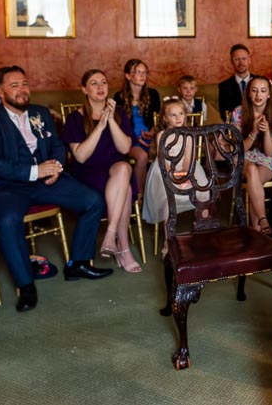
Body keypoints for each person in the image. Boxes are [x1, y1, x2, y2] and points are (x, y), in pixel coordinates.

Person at [0, 66, 113, 312]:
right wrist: (36, 171)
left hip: (47, 181)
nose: (23, 89)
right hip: (7, 186)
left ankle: (78, 262)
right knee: (7, 220)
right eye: (14, 86)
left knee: (93, 200)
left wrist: (56, 167)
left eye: (25, 83)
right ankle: (26, 285)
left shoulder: (40, 113)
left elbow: (57, 146)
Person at [61, 69, 140, 273]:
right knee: (127, 189)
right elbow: (80, 157)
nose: (100, 87)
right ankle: (123, 249)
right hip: (88, 173)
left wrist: (111, 120)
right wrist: (100, 126)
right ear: (84, 89)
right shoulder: (74, 119)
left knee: (124, 167)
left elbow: (124, 149)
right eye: (94, 83)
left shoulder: (120, 113)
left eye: (103, 83)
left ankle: (110, 232)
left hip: (115, 169)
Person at [142, 99, 206, 254]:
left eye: (181, 114)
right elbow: (163, 160)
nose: (178, 118)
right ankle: (168, 240)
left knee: (203, 191)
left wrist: (185, 175)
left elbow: (189, 159)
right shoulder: (162, 135)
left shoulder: (189, 135)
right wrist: (173, 176)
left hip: (187, 168)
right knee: (167, 198)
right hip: (166, 169)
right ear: (165, 118)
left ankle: (202, 232)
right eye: (173, 115)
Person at [230, 75, 272, 234]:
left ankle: (256, 230)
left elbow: (270, 152)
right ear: (248, 93)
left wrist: (265, 133)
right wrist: (254, 132)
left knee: (254, 180)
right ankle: (263, 219)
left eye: (263, 91)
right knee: (251, 171)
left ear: (269, 94)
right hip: (244, 156)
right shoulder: (238, 112)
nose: (258, 95)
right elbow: (239, 150)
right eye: (254, 91)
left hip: (266, 158)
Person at [113, 59, 160, 201]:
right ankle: (140, 197)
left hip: (150, 137)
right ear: (128, 76)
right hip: (129, 139)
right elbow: (118, 125)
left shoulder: (153, 94)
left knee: (168, 152)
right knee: (142, 157)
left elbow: (158, 118)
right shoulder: (119, 97)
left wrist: (152, 132)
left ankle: (163, 196)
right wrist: (135, 138)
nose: (142, 76)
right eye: (138, 72)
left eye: (144, 72)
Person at [218, 44, 252, 122]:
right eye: (236, 59)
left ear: (249, 60)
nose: (241, 63)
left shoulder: (261, 82)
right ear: (231, 61)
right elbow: (224, 114)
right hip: (235, 127)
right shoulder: (224, 86)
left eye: (244, 59)